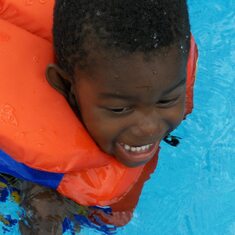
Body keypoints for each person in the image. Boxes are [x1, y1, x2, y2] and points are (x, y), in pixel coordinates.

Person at [0, 0, 197, 234]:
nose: (149, 128)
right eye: (119, 109)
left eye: (166, 100)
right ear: (66, 85)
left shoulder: (164, 51)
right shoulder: (45, 203)